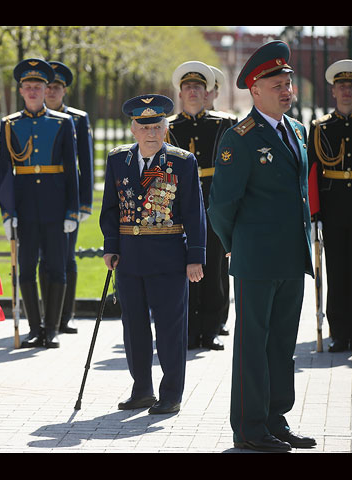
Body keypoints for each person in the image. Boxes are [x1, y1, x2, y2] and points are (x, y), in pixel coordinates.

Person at [208, 40, 316, 452]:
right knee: (253, 344)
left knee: (282, 342)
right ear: (254, 90)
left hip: (291, 255)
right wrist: (238, 246)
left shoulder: (297, 131)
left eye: (287, 80)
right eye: (276, 83)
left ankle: (275, 418)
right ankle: (250, 428)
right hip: (255, 257)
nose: (286, 88)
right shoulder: (241, 137)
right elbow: (221, 205)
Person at [100, 94, 206, 414]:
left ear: (165, 128)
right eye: (144, 126)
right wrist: (111, 247)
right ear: (133, 128)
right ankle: (141, 390)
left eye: (157, 126)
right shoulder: (118, 160)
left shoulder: (182, 161)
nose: (151, 133)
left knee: (170, 329)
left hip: (168, 258)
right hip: (129, 259)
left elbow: (194, 211)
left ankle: (171, 394)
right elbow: (110, 208)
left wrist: (195, 256)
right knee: (133, 328)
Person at [0, 58, 79, 349]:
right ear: (20, 90)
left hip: (56, 205)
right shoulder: (9, 125)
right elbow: (5, 172)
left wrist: (73, 209)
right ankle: (34, 328)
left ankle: (53, 328)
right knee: (27, 267)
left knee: (56, 266)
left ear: (47, 90)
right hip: (25, 207)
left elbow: (72, 169)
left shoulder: (63, 122)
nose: (32, 91)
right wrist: (7, 212)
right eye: (27, 86)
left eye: (38, 86)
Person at [166, 61, 235, 351]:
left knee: (214, 266)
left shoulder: (223, 123)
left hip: (213, 203)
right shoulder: (169, 127)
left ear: (206, 91)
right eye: (187, 87)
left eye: (197, 87)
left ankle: (210, 328)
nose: (192, 91)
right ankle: (189, 328)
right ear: (180, 93)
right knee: (185, 266)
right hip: (181, 206)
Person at [37, 60, 94, 334]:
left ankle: (64, 316)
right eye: (46, 87)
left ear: (64, 90)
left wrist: (83, 203)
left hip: (69, 200)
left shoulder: (78, 119)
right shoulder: (34, 118)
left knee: (67, 257)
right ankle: (46, 315)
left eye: (56, 87)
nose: (50, 91)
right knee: (42, 259)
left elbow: (86, 162)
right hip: (41, 199)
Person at [307, 59, 352, 353]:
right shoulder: (320, 128)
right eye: (342, 86)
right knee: (337, 272)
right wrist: (315, 213)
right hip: (334, 208)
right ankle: (339, 332)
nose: (347, 91)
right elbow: (313, 173)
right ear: (334, 92)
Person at [204, 64, 237, 338]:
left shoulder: (225, 122)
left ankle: (217, 319)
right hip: (186, 202)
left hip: (216, 198)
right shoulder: (174, 124)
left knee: (217, 263)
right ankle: (194, 320)